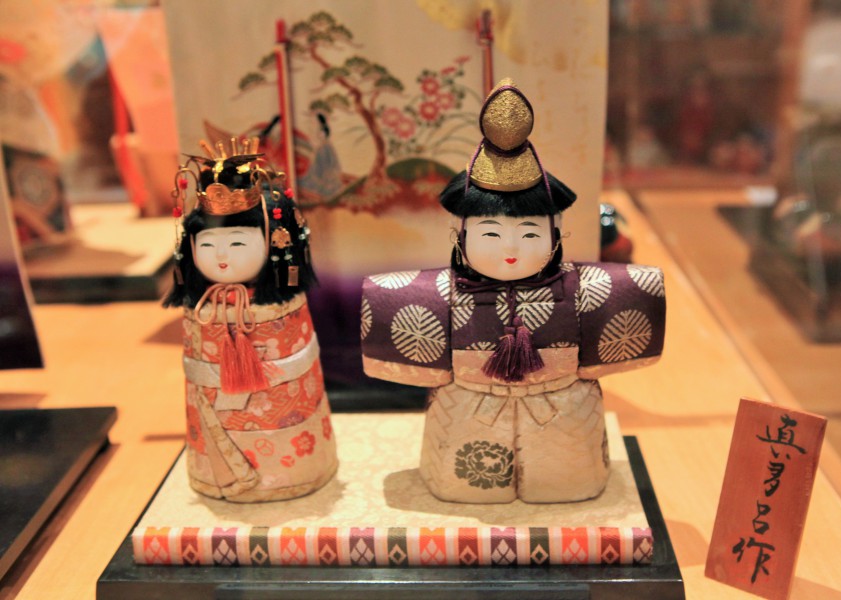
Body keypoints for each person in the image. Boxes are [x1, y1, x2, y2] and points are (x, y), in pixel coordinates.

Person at [360, 81, 666, 504]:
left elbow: (628, 321)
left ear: (557, 234)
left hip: (562, 413)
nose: (510, 248)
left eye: (529, 233)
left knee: (564, 482)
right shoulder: (440, 294)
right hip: (470, 414)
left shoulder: (585, 291)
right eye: (490, 233)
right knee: (468, 487)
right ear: (459, 235)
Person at [164, 139, 337, 502]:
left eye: (238, 244)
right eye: (207, 245)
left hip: (284, 418)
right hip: (215, 415)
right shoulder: (201, 307)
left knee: (285, 427)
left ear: (275, 246)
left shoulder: (284, 304)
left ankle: (295, 475)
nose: (221, 256)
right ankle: (218, 478)